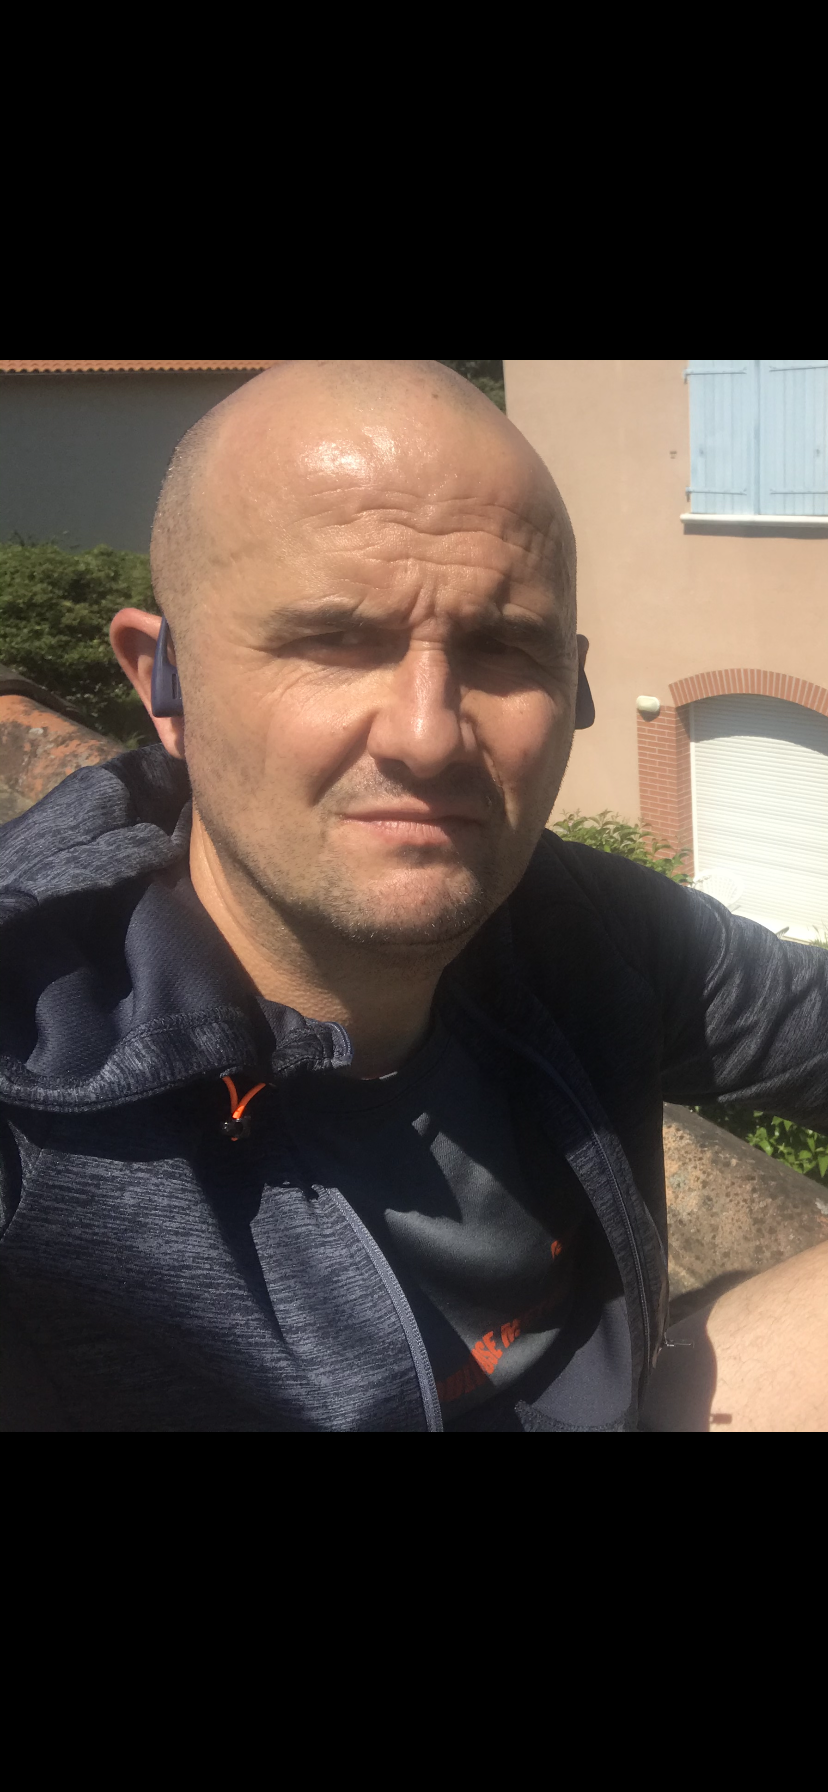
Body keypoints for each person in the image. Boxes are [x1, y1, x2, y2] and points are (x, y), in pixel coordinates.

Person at [2, 358, 827, 1433]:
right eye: (335, 639)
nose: (429, 736)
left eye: (503, 647)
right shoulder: (34, 1075)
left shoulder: (585, 927)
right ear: (167, 684)